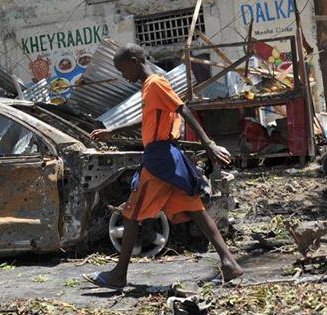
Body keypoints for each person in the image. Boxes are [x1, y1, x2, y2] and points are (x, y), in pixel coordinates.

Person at [82, 44, 243, 290]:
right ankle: (230, 264)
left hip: (160, 159)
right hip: (166, 156)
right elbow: (150, 119)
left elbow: (183, 109)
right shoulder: (151, 87)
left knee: (133, 213)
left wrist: (209, 145)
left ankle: (118, 275)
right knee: (196, 210)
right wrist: (113, 131)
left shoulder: (155, 83)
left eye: (121, 68)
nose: (121, 74)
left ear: (134, 61)